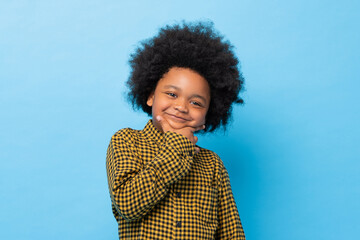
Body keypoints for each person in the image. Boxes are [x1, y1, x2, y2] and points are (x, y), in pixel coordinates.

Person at [106, 21, 246, 239]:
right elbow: (128, 205)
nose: (181, 106)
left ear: (208, 113)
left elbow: (231, 233)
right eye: (172, 94)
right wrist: (177, 144)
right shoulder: (126, 141)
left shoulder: (213, 165)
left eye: (196, 103)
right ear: (151, 95)